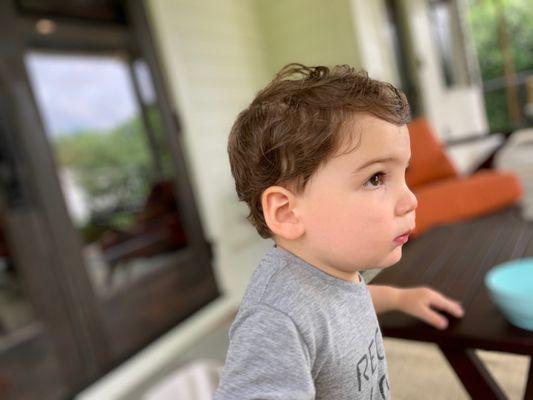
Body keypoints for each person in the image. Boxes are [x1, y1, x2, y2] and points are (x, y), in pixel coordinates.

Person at [214, 64, 464, 399]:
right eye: (376, 178)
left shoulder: (328, 267)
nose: (410, 199)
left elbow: (338, 309)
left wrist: (400, 299)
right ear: (287, 212)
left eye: (404, 172)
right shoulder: (274, 322)